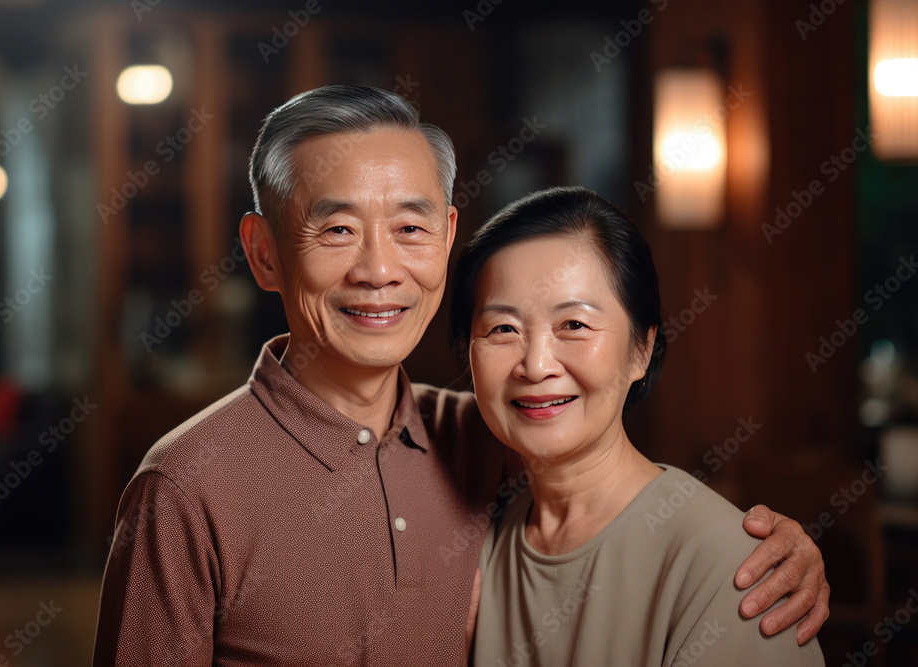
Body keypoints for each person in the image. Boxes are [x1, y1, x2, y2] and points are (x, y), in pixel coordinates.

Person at [93, 86, 829, 666]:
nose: (380, 270)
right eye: (338, 229)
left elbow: (619, 497)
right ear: (263, 253)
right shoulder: (187, 485)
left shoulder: (486, 435)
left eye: (410, 228)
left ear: (446, 239)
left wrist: (760, 545)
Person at [449, 186, 825, 665]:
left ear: (641, 351)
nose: (536, 365)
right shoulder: (473, 543)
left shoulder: (739, 569)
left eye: (574, 325)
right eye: (503, 329)